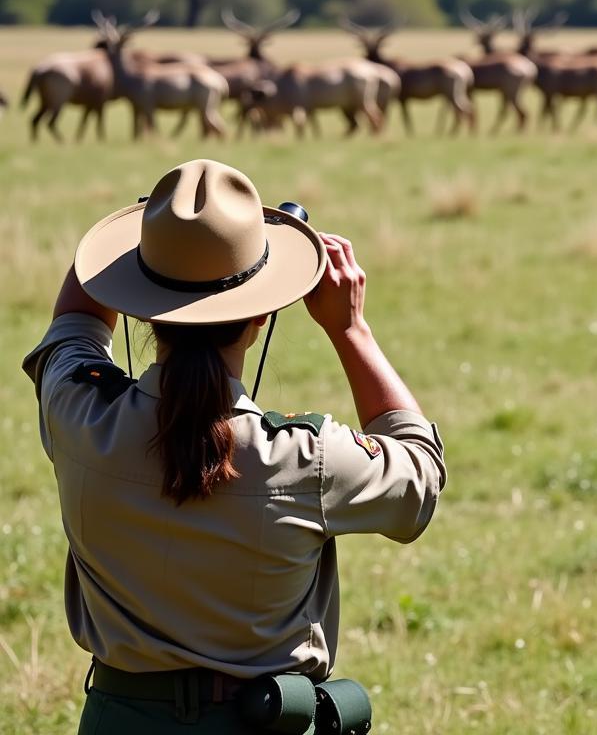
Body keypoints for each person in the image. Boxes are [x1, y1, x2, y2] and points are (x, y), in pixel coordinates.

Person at [22, 158, 446, 733]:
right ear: (265, 314)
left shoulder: (78, 415)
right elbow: (419, 477)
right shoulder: (306, 458)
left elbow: (74, 320)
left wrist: (142, 237)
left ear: (138, 306)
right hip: (261, 720)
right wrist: (350, 329)